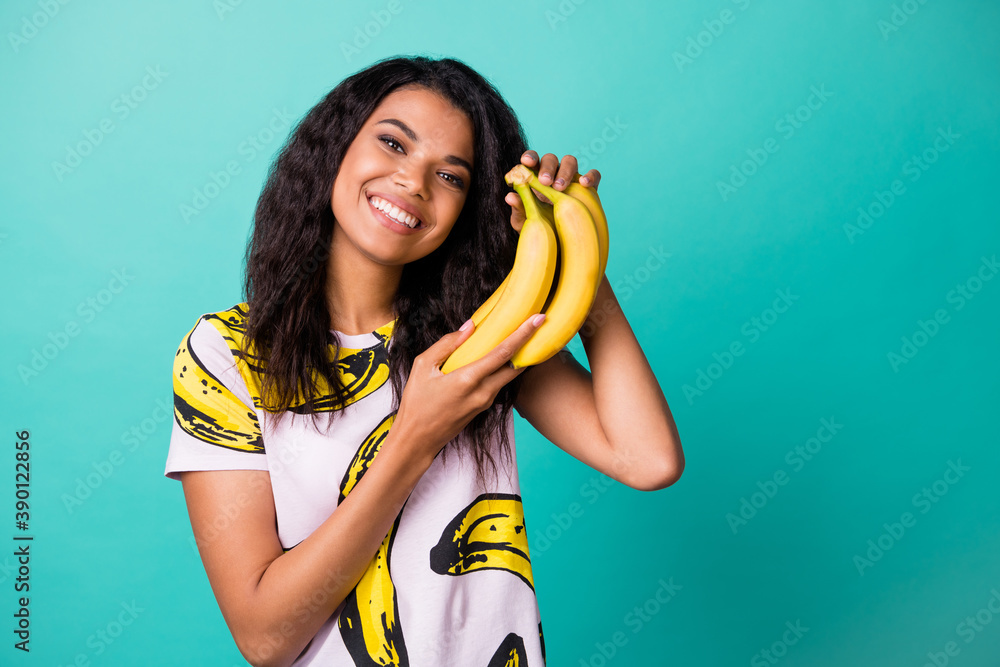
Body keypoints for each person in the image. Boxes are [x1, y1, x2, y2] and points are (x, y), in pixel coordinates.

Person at [163, 55, 683, 667]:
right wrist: (415, 436)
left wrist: (579, 256)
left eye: (452, 176)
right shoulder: (228, 355)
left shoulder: (482, 337)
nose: (413, 181)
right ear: (336, 147)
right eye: (392, 143)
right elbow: (264, 638)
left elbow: (647, 460)